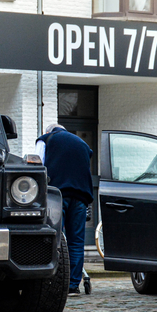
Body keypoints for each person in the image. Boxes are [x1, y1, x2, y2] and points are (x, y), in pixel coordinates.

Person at [35, 124, 93, 296]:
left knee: (54, 239)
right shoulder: (83, 144)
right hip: (81, 198)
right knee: (76, 242)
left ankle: (52, 281)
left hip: (57, 196)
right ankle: (73, 286)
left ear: (49, 131)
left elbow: (37, 167)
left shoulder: (47, 139)